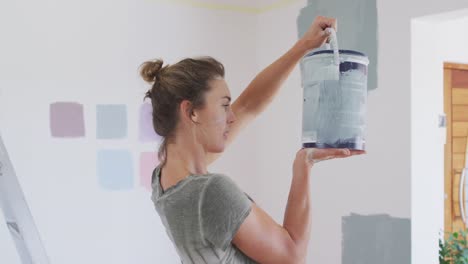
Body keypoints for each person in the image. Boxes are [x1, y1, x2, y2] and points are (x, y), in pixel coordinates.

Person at [140, 16, 364, 264]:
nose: (232, 116)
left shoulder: (164, 180)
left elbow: (248, 105)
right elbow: (292, 255)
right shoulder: (212, 192)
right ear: (191, 111)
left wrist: (304, 46)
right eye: (224, 106)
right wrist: (305, 164)